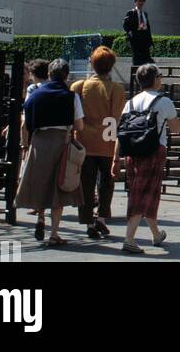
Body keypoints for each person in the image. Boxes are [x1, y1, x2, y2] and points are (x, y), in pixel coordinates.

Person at [16, 58, 85, 247]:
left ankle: (40, 218)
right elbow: (79, 124)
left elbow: (26, 123)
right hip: (61, 141)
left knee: (41, 182)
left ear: (48, 74)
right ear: (66, 75)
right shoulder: (72, 96)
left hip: (39, 141)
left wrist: (25, 145)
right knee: (58, 187)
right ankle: (54, 233)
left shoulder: (35, 94)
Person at [111, 63, 180, 252]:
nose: (161, 79)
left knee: (143, 191)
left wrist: (115, 159)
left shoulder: (130, 102)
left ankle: (156, 234)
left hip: (133, 152)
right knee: (143, 194)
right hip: (154, 151)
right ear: (155, 79)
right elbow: (176, 128)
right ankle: (129, 238)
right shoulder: (163, 101)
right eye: (160, 75)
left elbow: (121, 132)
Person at [71, 45, 125, 239]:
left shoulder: (78, 86)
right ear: (111, 66)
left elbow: (74, 116)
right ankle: (101, 218)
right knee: (106, 184)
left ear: (92, 64)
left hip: (84, 142)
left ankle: (87, 221)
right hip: (107, 143)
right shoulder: (116, 90)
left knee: (85, 184)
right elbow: (116, 119)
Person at [123, 0, 154, 66]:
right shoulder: (131, 13)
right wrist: (130, 33)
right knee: (137, 60)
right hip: (136, 39)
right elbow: (125, 25)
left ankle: (144, 75)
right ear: (135, 2)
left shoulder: (145, 14)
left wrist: (151, 42)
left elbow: (148, 29)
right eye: (139, 1)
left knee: (146, 60)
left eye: (142, 1)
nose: (141, 3)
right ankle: (135, 75)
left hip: (145, 40)